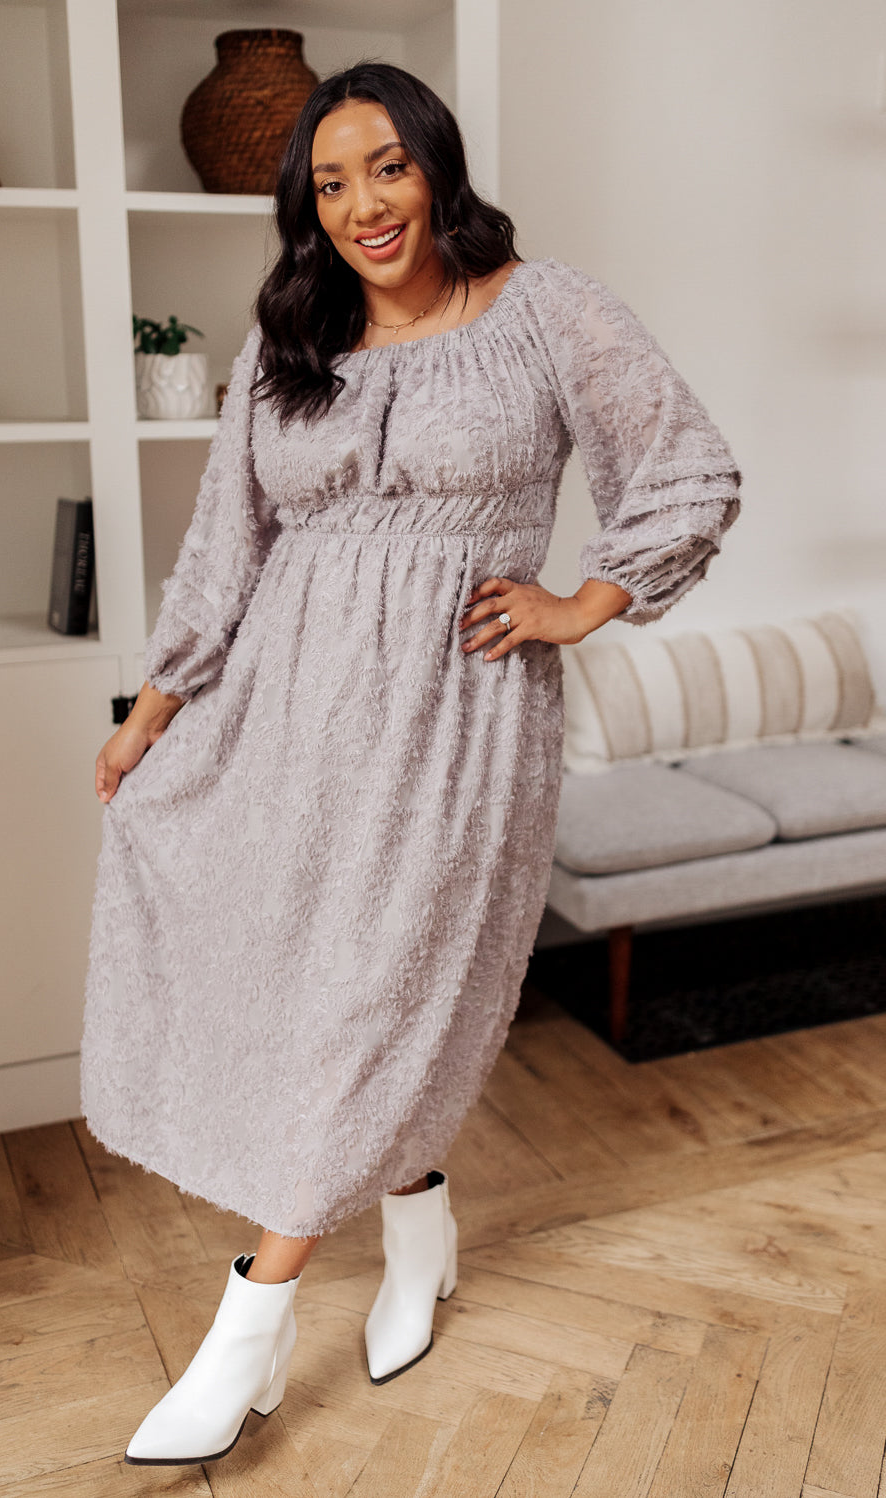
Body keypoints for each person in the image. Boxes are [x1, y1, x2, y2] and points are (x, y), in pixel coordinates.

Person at [80, 61, 741, 1467]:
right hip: (283, 715)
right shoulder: (292, 338)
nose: (363, 204)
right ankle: (421, 1227)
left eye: (387, 166)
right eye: (329, 183)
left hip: (456, 719)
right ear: (306, 206)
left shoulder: (547, 312)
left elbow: (688, 467)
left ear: (437, 165)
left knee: (376, 987)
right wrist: (154, 708)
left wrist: (579, 602)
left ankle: (250, 1325)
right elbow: (226, 542)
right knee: (317, 985)